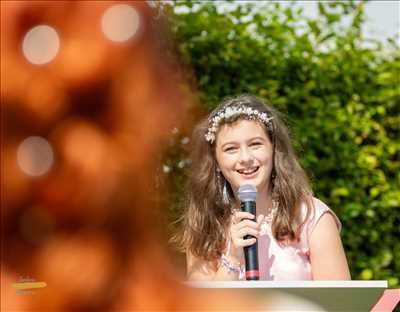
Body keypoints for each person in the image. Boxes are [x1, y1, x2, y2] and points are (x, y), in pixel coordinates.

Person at [177, 94, 351, 281]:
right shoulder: (204, 223)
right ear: (216, 161)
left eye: (255, 144)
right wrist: (233, 257)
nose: (245, 158)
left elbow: (339, 301)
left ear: (274, 149)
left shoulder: (311, 217)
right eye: (231, 149)